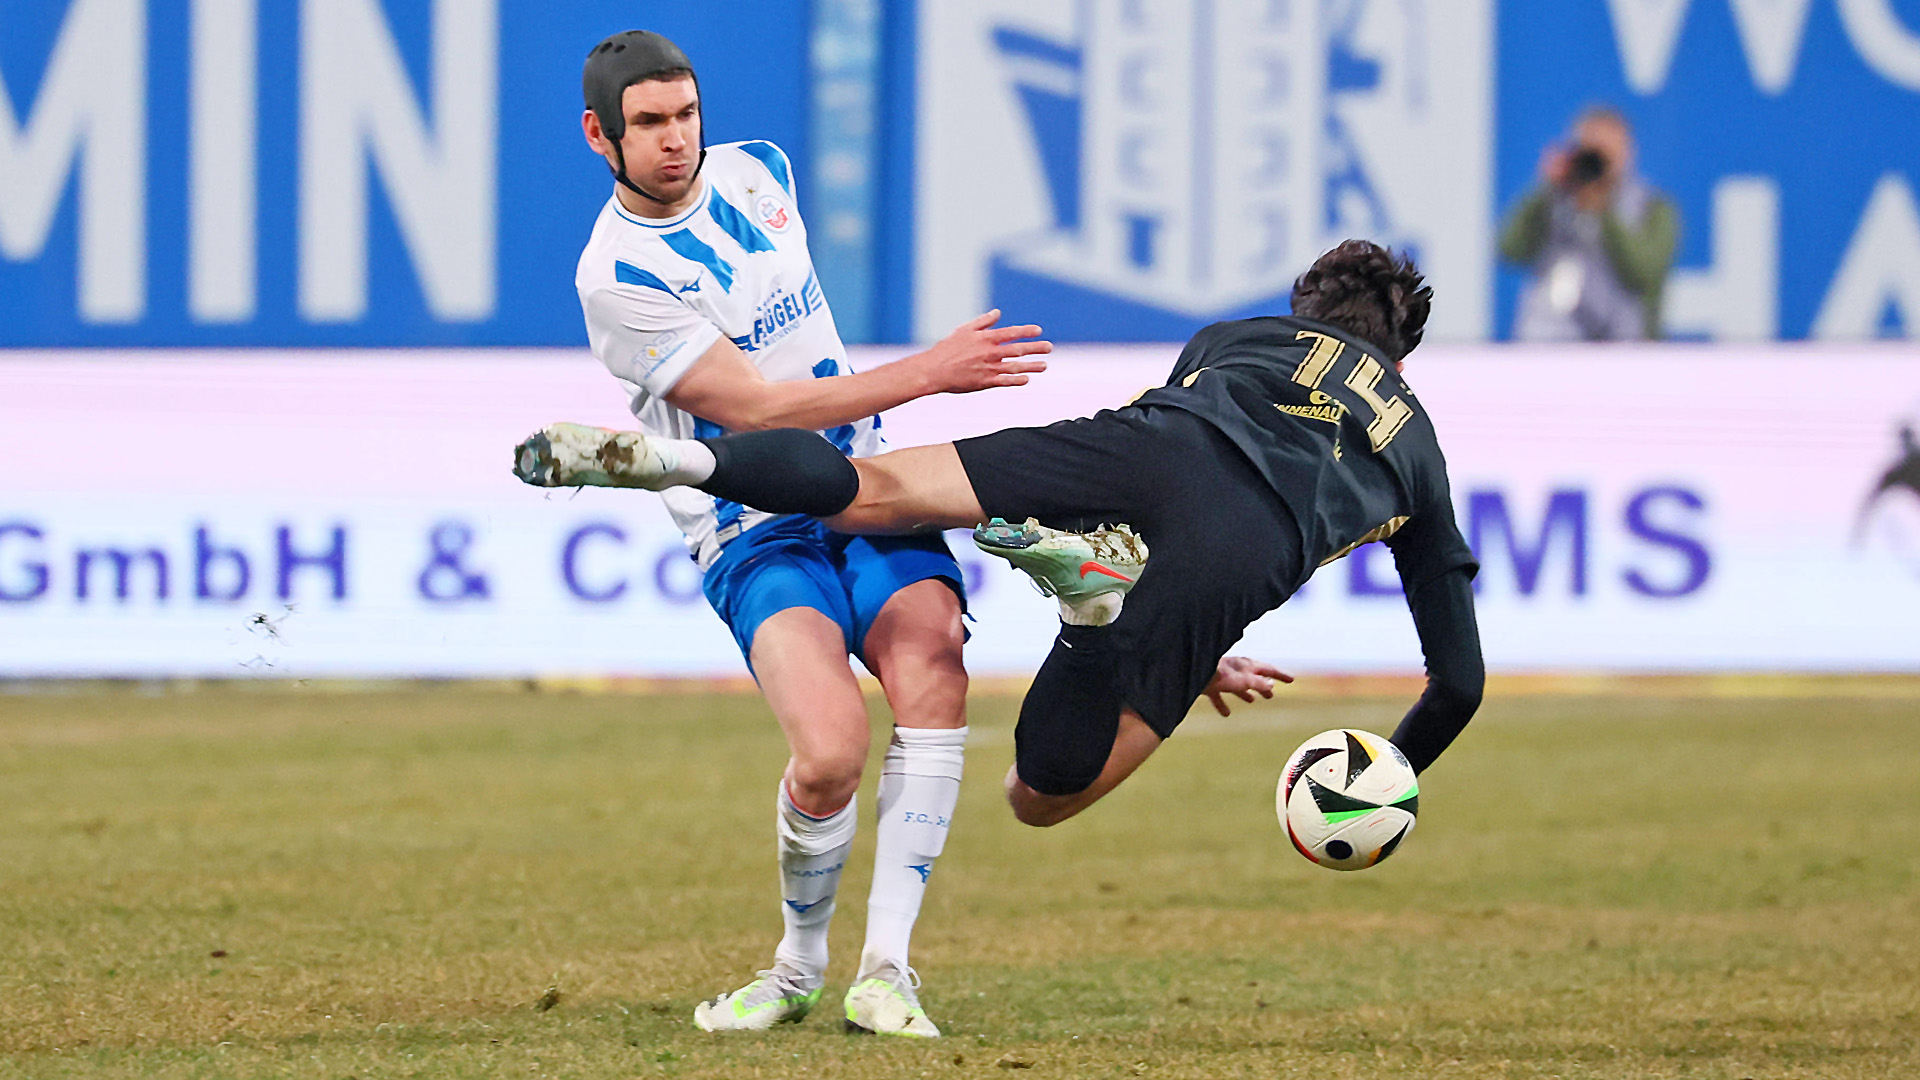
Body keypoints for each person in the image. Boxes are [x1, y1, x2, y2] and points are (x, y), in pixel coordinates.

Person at [518, 239, 1483, 830]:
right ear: (1401, 351)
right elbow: (1459, 684)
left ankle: (684, 463)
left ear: (1304, 311)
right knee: (1041, 795)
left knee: (862, 491)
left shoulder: (1238, 337)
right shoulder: (1419, 450)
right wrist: (1388, 775)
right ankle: (1092, 616)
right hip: (1232, 562)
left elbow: (1183, 462)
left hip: (1134, 454)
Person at [568, 30, 1053, 1037]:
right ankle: (796, 967)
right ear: (599, 136)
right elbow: (754, 411)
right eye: (649, 124)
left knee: (933, 658)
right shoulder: (615, 277)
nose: (675, 141)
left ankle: (887, 970)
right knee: (831, 751)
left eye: (685, 115)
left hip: (869, 487)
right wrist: (931, 370)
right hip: (752, 527)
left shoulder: (760, 173)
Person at [1499, 106, 1679, 341]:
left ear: (1627, 152)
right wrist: (1546, 189)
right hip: (1555, 340)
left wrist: (1604, 210)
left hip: (1625, 346)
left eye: (1608, 151)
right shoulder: (1553, 200)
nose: (1598, 162)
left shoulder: (1653, 208)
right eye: (1591, 150)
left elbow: (1644, 272)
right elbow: (1509, 249)